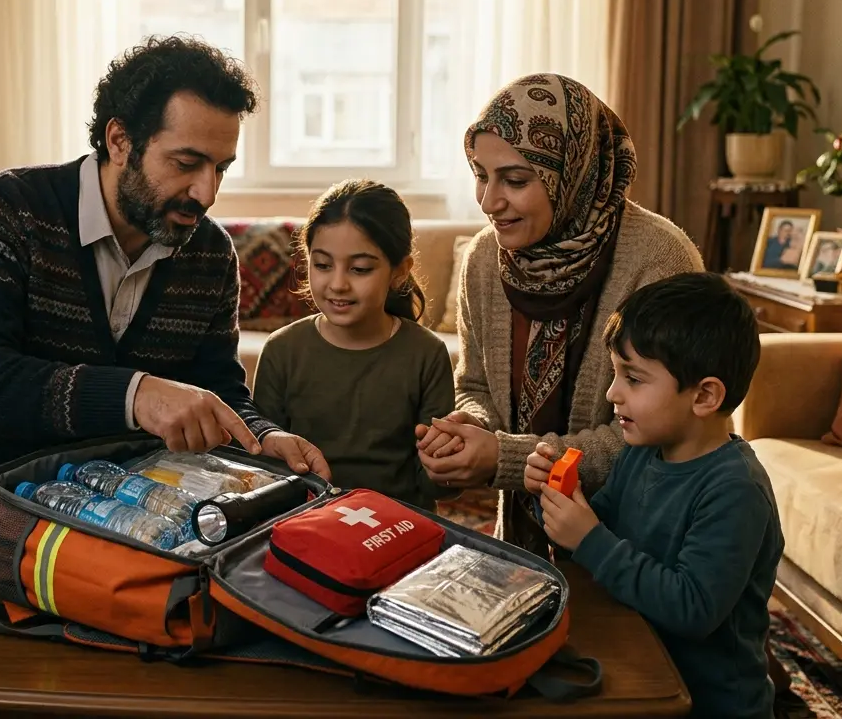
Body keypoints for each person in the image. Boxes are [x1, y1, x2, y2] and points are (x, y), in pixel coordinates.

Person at [0, 35, 329, 584]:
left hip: (115, 514)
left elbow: (215, 388)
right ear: (120, 139)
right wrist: (136, 394)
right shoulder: (2, 211)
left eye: (221, 168)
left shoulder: (210, 252)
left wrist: (262, 438)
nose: (207, 192)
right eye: (187, 163)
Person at [413, 73, 704, 556]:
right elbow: (476, 386)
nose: (489, 202)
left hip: (636, 548)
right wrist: (471, 430)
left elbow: (660, 435)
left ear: (574, 174)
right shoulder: (484, 260)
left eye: (515, 179)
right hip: (526, 546)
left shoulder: (661, 260)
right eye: (481, 175)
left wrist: (505, 457)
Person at [531, 272, 784, 719]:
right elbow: (595, 535)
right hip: (639, 670)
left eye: (634, 378)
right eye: (615, 374)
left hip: (711, 704)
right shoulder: (642, 454)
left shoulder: (735, 490)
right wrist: (555, 499)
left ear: (704, 395)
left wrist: (588, 537)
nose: (613, 394)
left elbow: (693, 608)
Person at [252, 179, 455, 510]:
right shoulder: (282, 350)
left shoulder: (426, 354)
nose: (337, 284)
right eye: (322, 265)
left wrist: (447, 465)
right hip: (303, 522)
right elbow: (263, 470)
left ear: (400, 272)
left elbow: (436, 486)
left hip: (399, 527)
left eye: (360, 269)